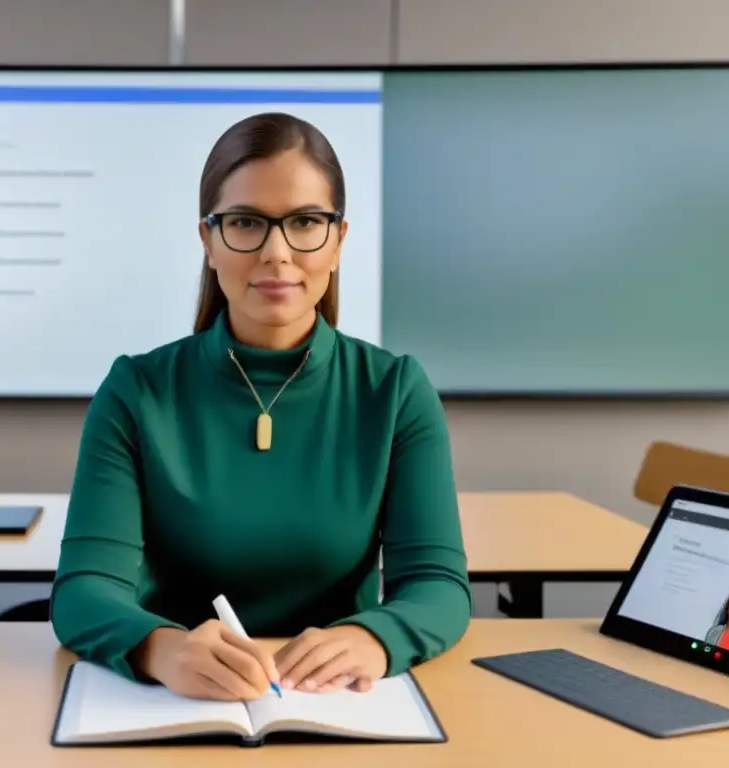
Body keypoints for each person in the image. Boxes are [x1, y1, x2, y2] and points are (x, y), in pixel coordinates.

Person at [51, 112, 472, 702]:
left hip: (335, 702)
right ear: (208, 239)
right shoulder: (137, 390)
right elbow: (83, 590)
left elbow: (439, 585)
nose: (277, 252)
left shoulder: (395, 390)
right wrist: (161, 648)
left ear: (339, 240)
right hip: (175, 701)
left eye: (305, 223)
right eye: (246, 222)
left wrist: (376, 637)